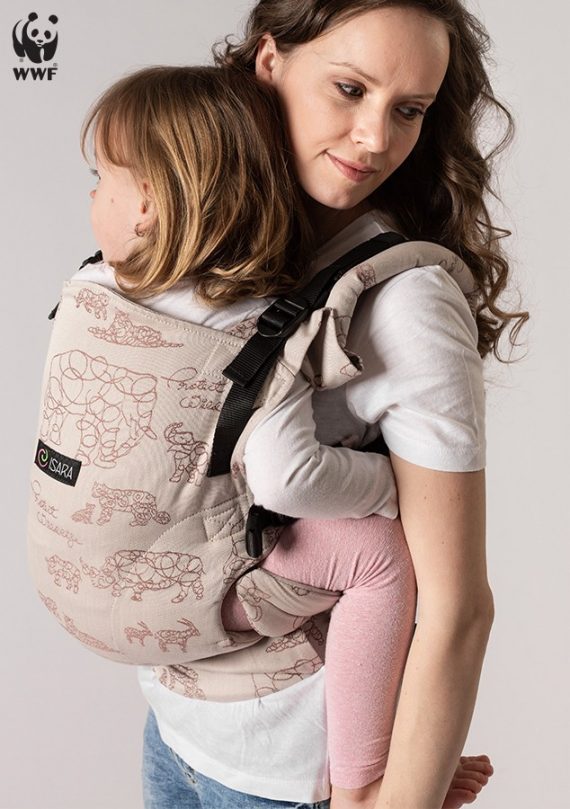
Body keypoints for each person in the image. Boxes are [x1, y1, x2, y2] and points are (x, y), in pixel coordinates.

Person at [137, 2, 529, 808]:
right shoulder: (206, 238)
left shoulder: (408, 303)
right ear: (269, 61)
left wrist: (393, 796)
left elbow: (458, 610)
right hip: (174, 730)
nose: (377, 138)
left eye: (409, 110)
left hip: (297, 778)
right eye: (351, 89)